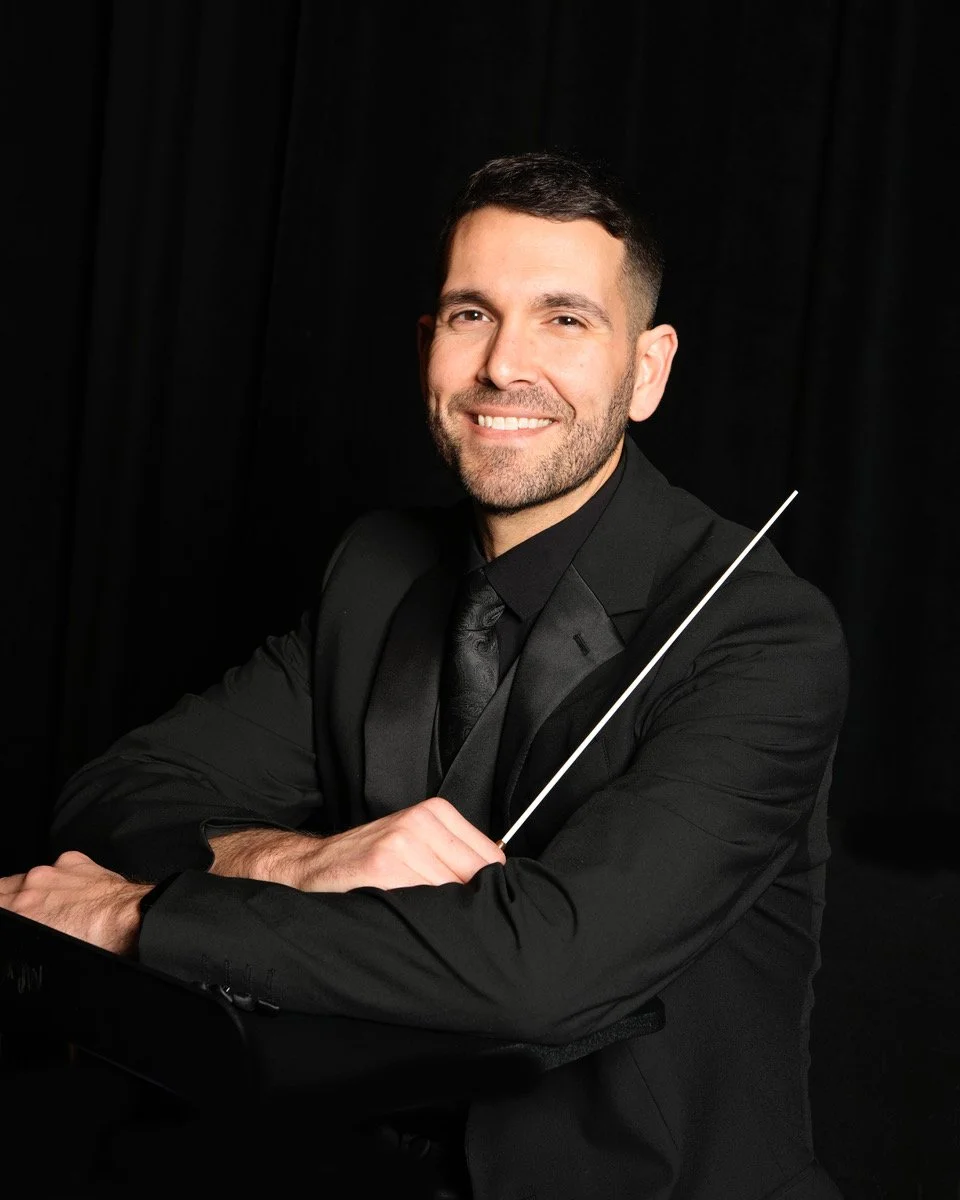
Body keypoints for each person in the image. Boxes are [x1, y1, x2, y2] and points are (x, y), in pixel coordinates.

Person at [0, 150, 848, 1199]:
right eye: (469, 315)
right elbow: (119, 795)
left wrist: (142, 917)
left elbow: (547, 974)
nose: (503, 366)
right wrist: (297, 861)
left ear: (648, 369)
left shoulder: (761, 636)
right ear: (426, 346)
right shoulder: (375, 568)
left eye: (565, 319)